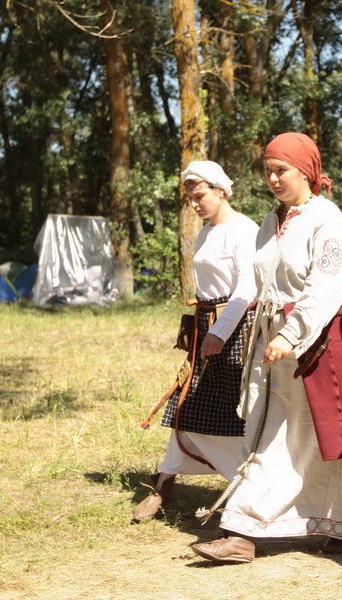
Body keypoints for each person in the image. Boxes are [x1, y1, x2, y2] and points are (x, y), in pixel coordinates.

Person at [190, 132, 342, 564]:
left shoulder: (327, 220)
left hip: (316, 344)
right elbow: (253, 282)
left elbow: (327, 285)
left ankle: (340, 520)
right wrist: (235, 331)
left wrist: (292, 334)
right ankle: (246, 528)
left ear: (306, 172)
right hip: (268, 340)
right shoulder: (270, 222)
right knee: (268, 431)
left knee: (323, 437)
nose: (273, 179)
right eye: (268, 171)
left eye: (282, 171)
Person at [133, 161, 259, 521]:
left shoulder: (244, 230)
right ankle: (164, 484)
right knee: (186, 402)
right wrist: (203, 327)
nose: (194, 204)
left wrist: (220, 332)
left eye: (200, 196)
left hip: (235, 328)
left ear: (221, 191)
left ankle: (247, 488)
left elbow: (247, 289)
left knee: (228, 411)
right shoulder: (205, 233)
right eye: (190, 198)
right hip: (207, 324)